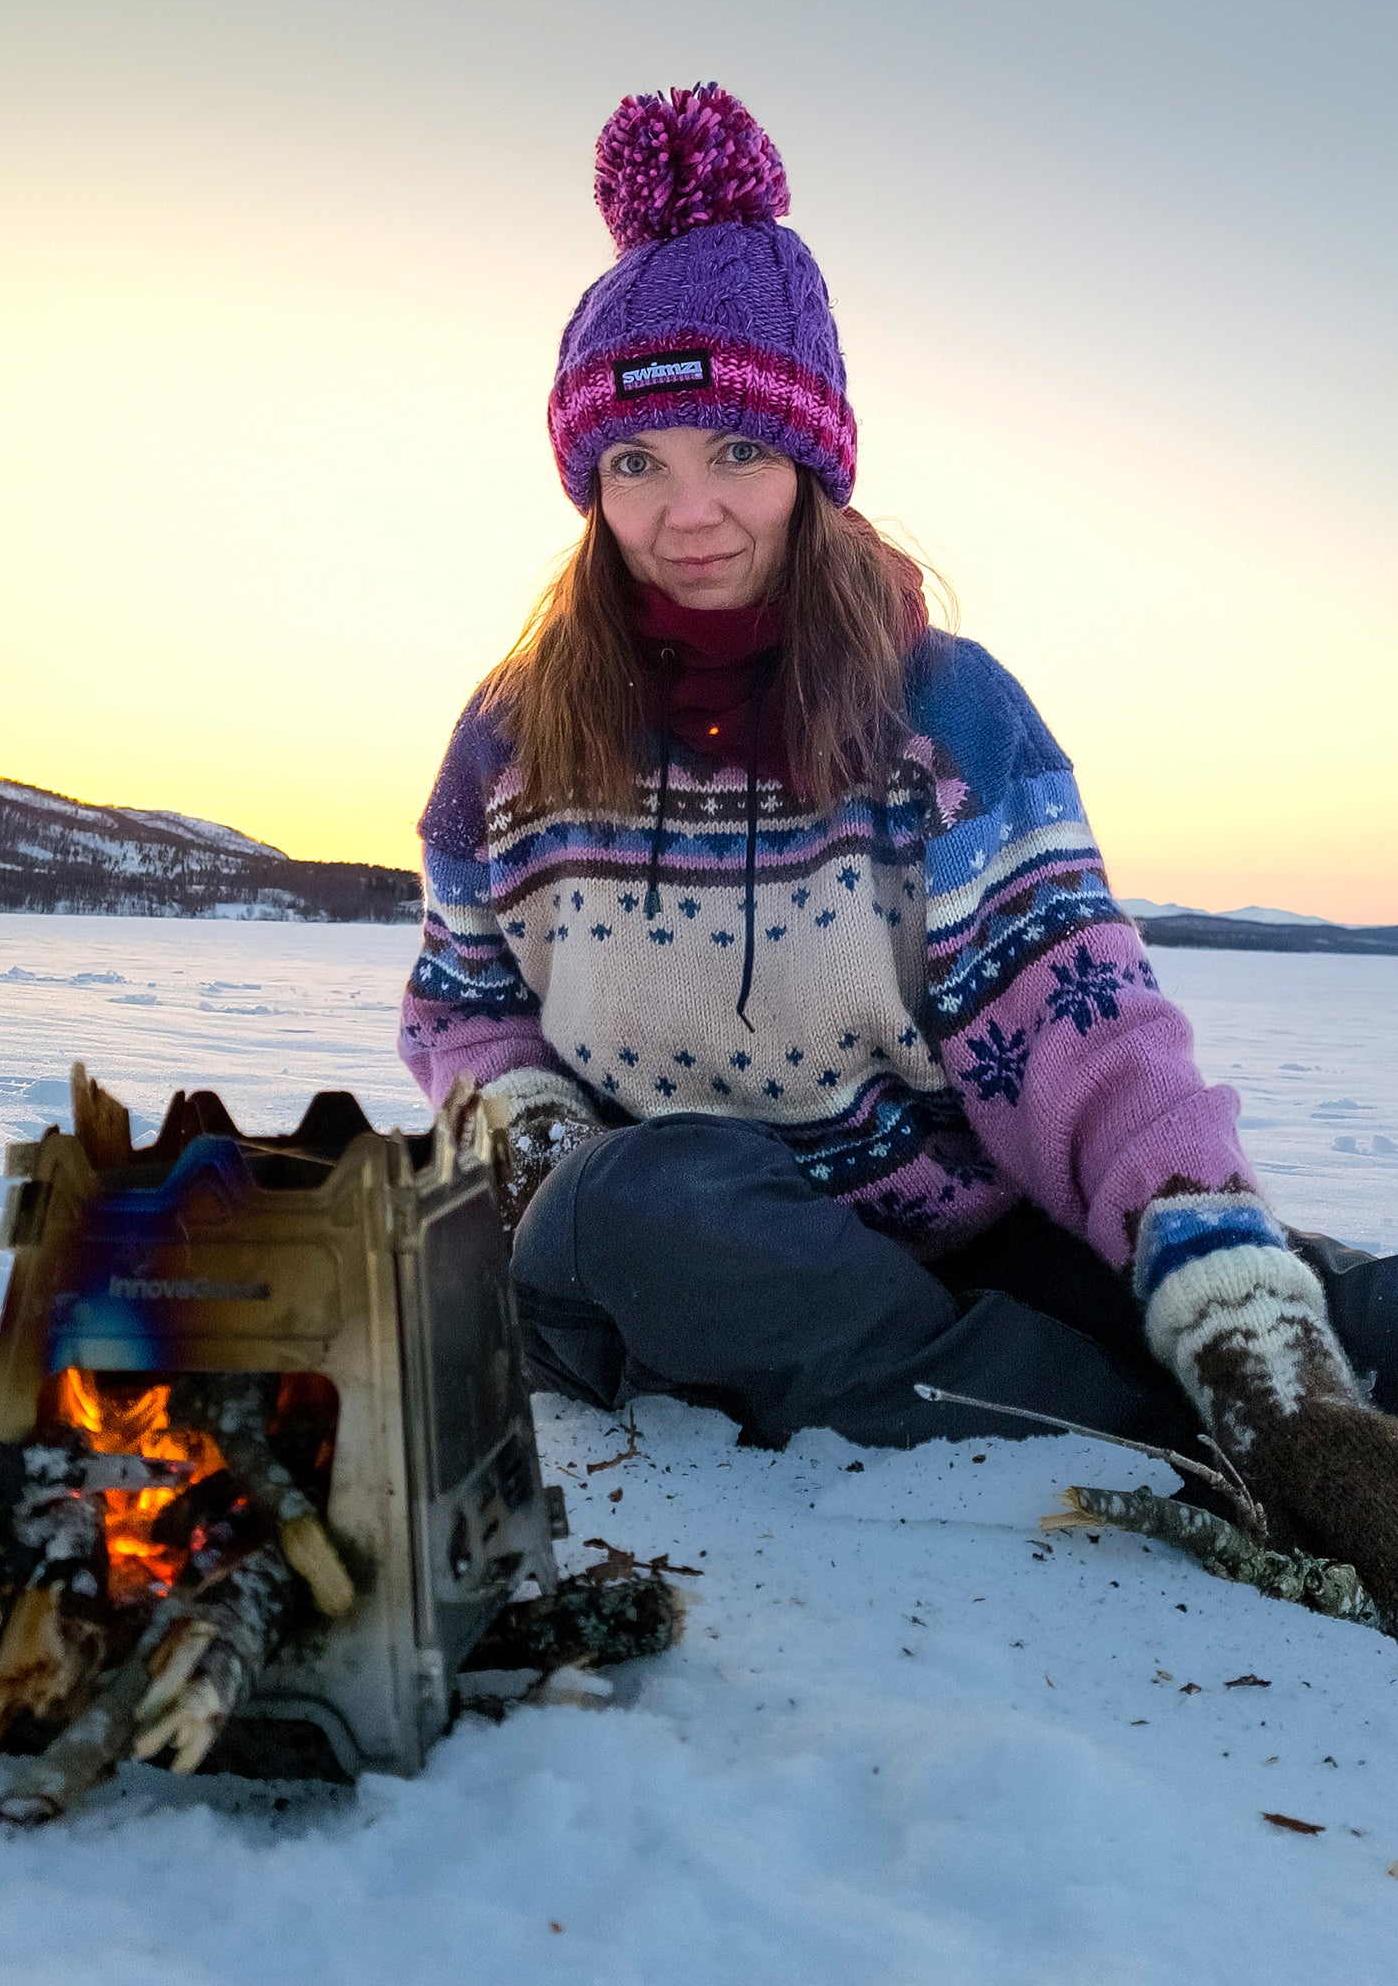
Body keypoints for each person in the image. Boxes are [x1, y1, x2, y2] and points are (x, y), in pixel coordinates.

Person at [400, 83, 1398, 1611]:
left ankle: (1259, 1393)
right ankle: (1153, 1429)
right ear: (585, 487)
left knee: (1311, 1300)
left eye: (733, 449)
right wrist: (535, 1146)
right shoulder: (514, 735)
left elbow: (1087, 1036)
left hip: (948, 1238)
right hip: (679, 1255)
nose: (687, 513)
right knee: (644, 1205)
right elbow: (465, 1010)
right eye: (633, 464)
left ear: (811, 460)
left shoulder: (943, 711)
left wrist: (1238, 1302)